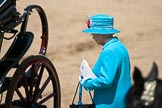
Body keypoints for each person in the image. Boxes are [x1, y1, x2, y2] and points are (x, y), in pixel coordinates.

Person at [80, 14, 132, 108]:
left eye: (93, 34)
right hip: (124, 101)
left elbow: (106, 80)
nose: (92, 37)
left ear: (101, 34)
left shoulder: (109, 51)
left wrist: (87, 83)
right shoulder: (120, 46)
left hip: (110, 104)